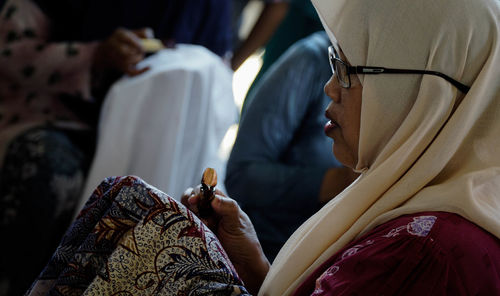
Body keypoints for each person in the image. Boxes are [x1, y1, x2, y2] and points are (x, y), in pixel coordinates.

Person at [26, 0, 500, 294]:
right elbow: (250, 171)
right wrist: (254, 264)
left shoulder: (424, 251)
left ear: (421, 93)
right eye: (336, 65)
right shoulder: (421, 215)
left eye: (351, 71)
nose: (331, 89)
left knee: (140, 208)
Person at [0, 0, 232, 294]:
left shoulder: (208, 10)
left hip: (143, 133)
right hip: (54, 116)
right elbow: (12, 54)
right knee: (46, 169)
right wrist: (93, 56)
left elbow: (216, 70)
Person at [226, 31, 357, 261]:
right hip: (272, 250)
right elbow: (241, 175)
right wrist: (337, 182)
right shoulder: (310, 60)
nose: (331, 89)